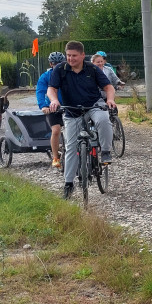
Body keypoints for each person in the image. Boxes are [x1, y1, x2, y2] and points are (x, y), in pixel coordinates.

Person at [46, 41, 116, 199]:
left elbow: (108, 87)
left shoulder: (92, 69)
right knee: (71, 147)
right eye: (68, 55)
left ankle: (105, 151)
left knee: (104, 119)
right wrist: (54, 100)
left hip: (93, 105)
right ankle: (68, 183)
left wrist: (110, 100)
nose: (70, 59)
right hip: (71, 109)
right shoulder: (60, 69)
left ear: (83, 56)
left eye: (74, 56)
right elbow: (52, 89)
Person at [37, 52, 66, 170]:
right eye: (55, 64)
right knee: (56, 130)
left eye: (60, 63)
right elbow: (40, 91)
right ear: (51, 64)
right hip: (52, 107)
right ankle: (55, 157)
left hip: (68, 106)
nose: (57, 66)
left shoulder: (68, 74)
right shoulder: (45, 76)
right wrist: (43, 106)